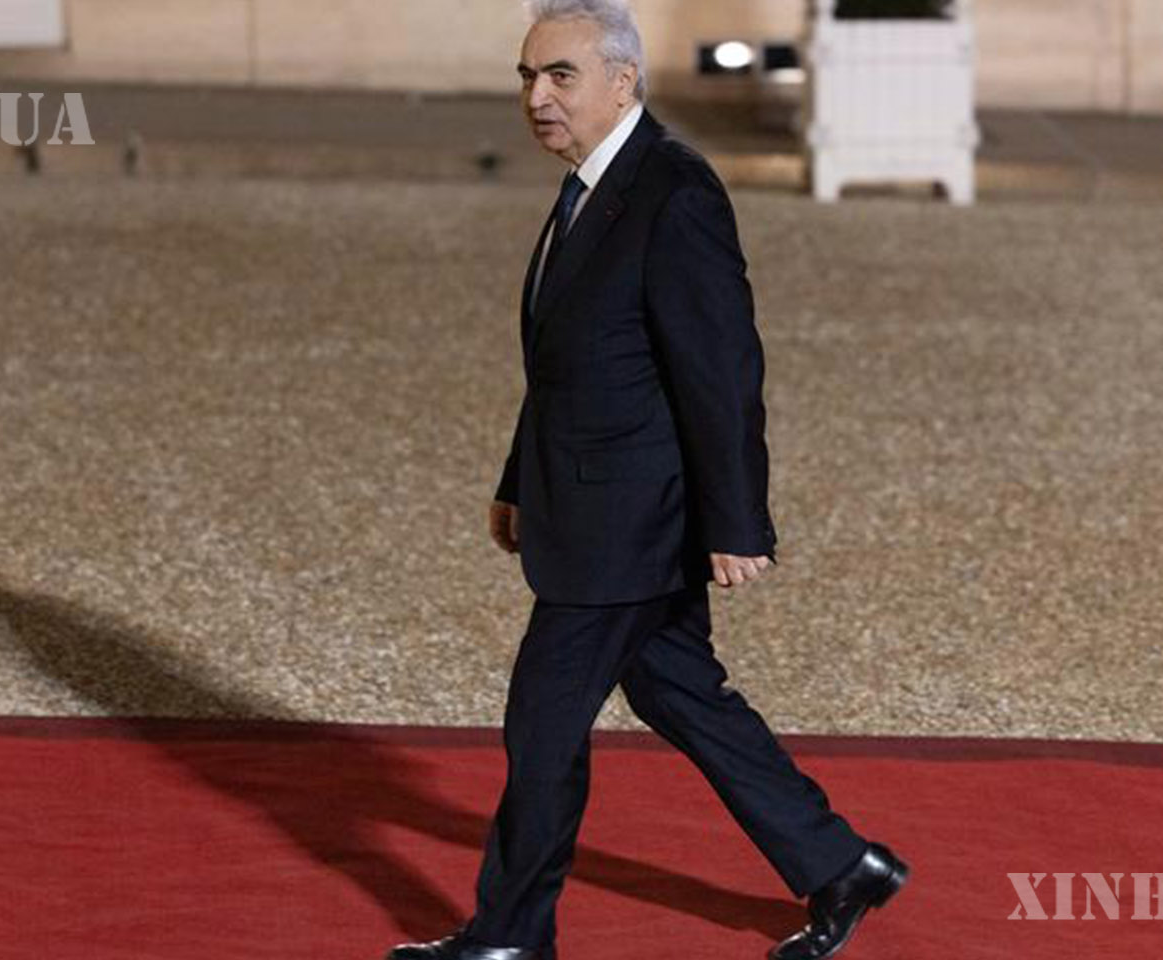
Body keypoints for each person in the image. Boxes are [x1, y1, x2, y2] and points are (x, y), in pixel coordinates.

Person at [386, 2, 907, 958]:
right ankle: (841, 865)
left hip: (630, 520)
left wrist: (737, 522)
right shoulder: (590, 185)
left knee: (542, 720)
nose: (537, 98)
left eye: (561, 76)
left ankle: (512, 936)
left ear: (623, 81)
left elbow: (721, 370)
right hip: (594, 504)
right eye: (528, 77)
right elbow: (573, 365)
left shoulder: (675, 193)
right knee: (678, 692)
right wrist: (518, 479)